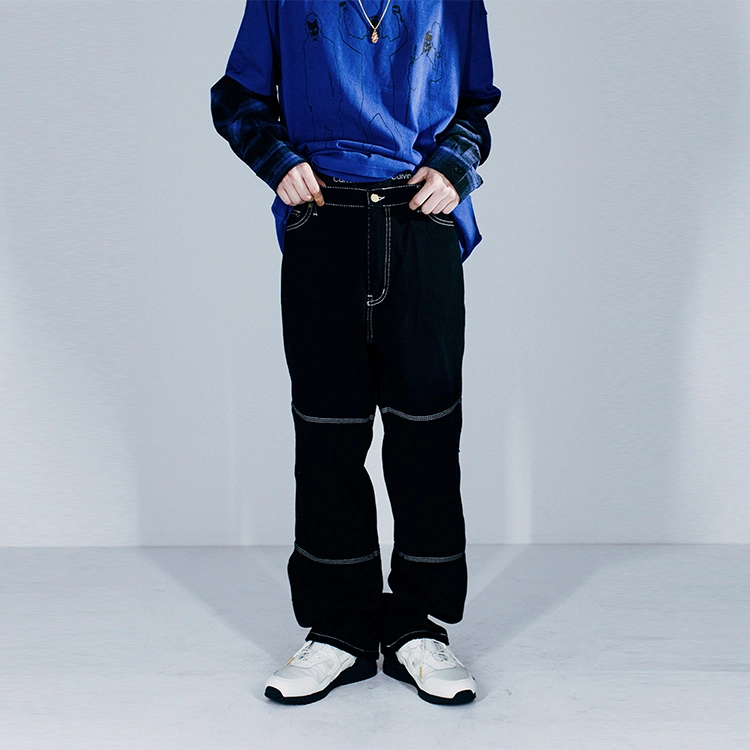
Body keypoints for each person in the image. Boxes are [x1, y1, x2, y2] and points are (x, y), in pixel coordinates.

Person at [211, 0, 501, 705]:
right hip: (325, 219)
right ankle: (339, 627)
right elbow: (236, 96)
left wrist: (455, 167)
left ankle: (418, 625)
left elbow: (475, 104)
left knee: (427, 433)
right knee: (328, 434)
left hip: (421, 219)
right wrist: (277, 162)